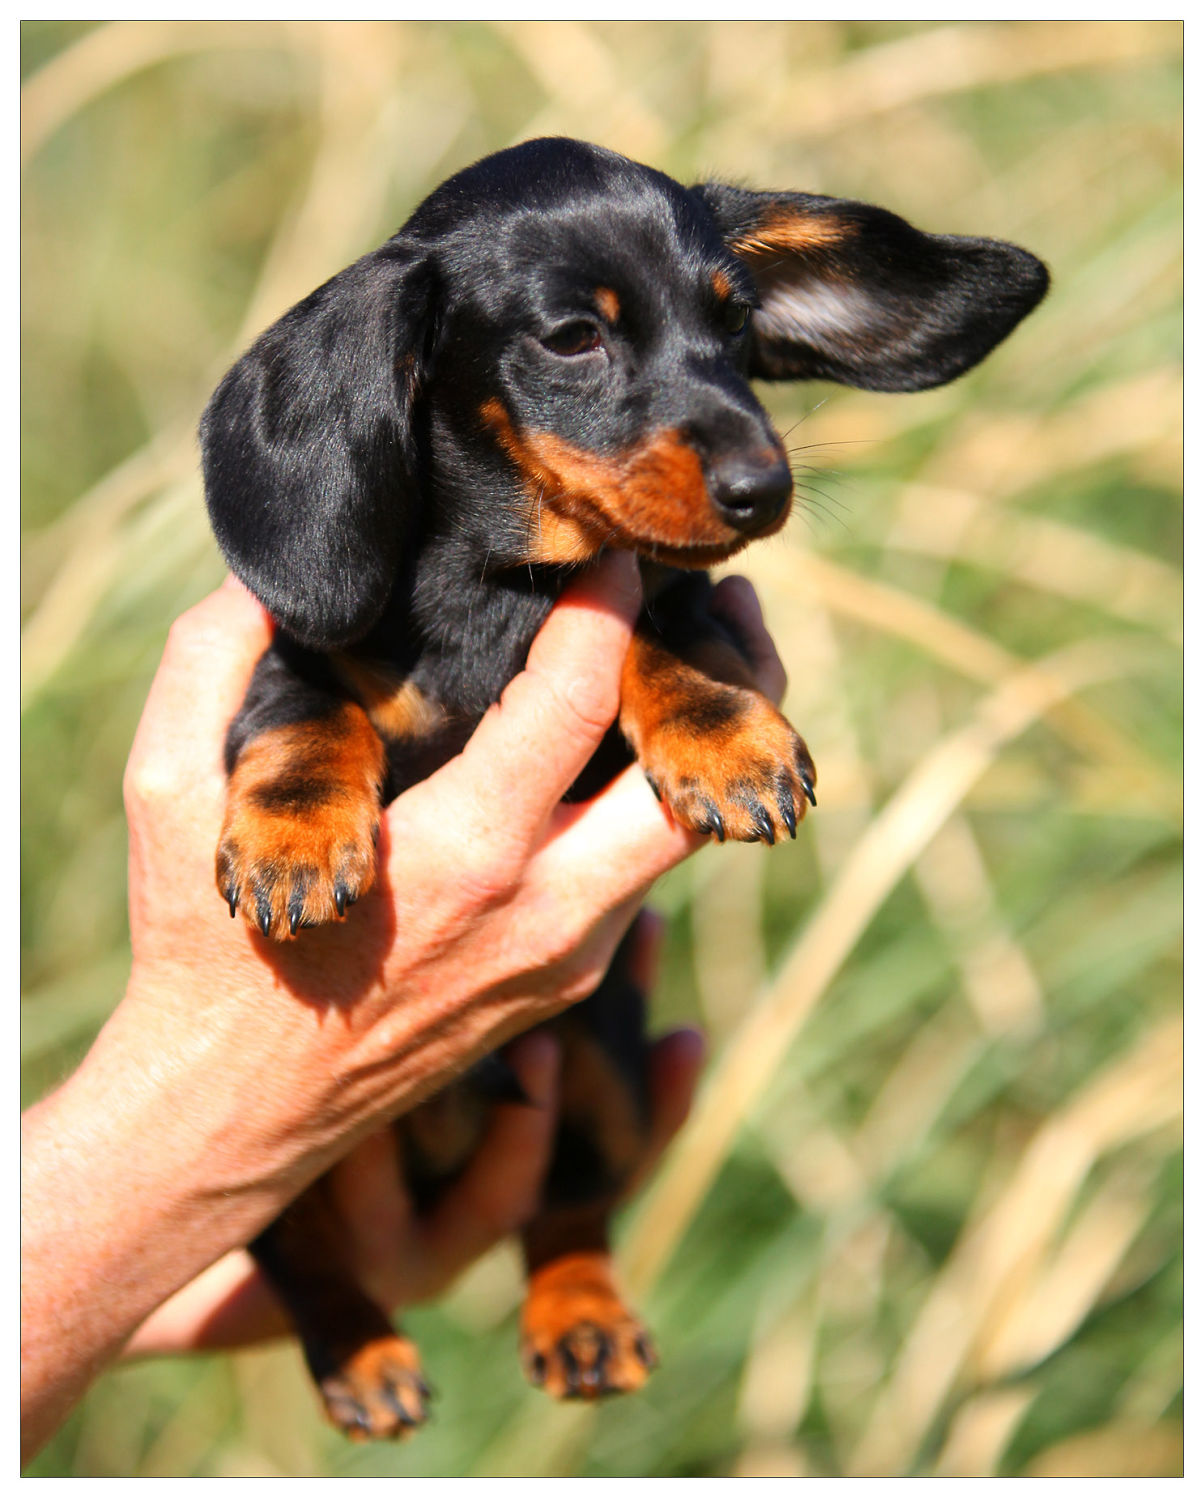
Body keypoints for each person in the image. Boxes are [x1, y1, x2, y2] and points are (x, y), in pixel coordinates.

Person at [21, 552, 788, 1463]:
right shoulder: (349, 591)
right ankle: (334, 1309)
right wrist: (206, 1133)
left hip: (548, 1055)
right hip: (329, 1169)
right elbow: (292, 681)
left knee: (608, 1054)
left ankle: (572, 1253)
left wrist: (688, 692)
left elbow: (681, 627)